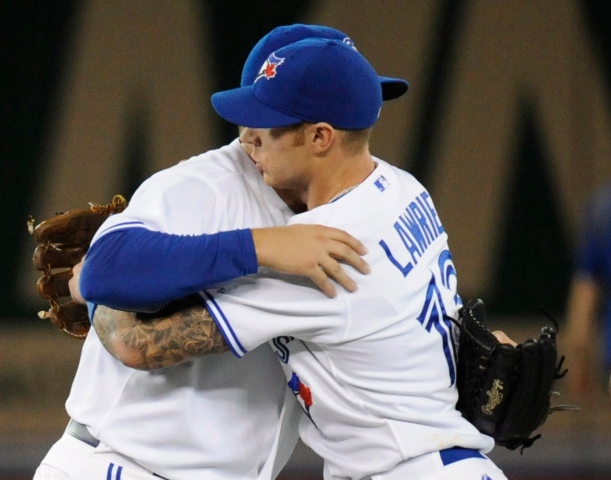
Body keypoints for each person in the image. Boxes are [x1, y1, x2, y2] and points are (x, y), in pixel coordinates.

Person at [82, 38, 508, 479]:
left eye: (269, 127)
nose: (250, 141)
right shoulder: (404, 190)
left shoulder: (323, 258)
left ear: (321, 137)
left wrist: (94, 294)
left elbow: (137, 345)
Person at [33, 25, 408, 480]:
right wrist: (260, 245)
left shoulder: (361, 210)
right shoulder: (206, 187)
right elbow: (101, 273)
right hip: (121, 464)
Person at [564, 181, 611, 405]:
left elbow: (586, 287)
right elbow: (587, 285)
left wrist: (578, 355)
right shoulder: (606, 208)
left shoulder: (606, 207)